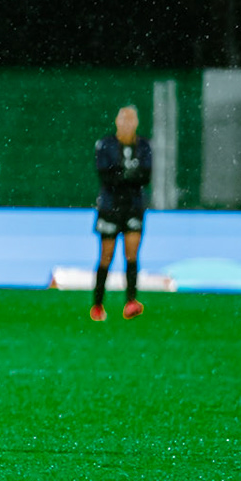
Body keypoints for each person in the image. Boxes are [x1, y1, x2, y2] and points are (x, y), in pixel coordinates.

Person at [91, 104, 153, 321]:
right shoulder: (106, 144)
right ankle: (97, 305)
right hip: (109, 206)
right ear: (117, 121)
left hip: (133, 206)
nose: (127, 123)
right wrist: (128, 175)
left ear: (136, 122)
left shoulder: (144, 145)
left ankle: (131, 302)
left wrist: (122, 175)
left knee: (132, 254)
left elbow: (145, 176)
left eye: (131, 119)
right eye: (123, 118)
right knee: (106, 256)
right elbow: (105, 176)